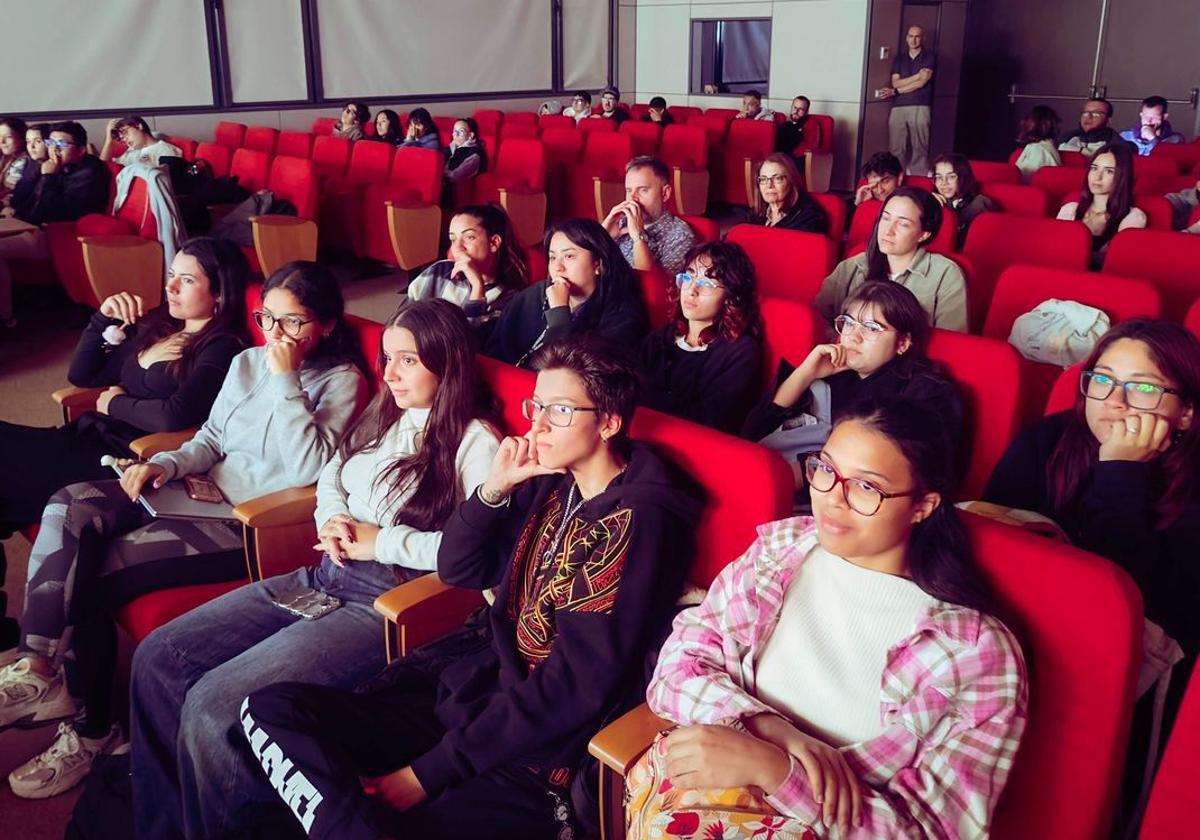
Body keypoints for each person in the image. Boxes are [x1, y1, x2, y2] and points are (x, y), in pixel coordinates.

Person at [240, 337, 702, 838]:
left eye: (561, 411)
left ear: (609, 423)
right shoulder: (553, 483)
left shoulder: (636, 522)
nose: (538, 424)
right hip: (471, 697)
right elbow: (460, 568)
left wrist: (425, 774)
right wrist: (493, 490)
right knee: (269, 710)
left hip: (535, 753)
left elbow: (572, 688)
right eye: (537, 405)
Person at [128, 299, 501, 838]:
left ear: (447, 363)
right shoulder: (386, 413)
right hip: (326, 572)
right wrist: (333, 518)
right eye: (387, 358)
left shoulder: (475, 442)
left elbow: (470, 555)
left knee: (215, 709)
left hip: (388, 600)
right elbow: (333, 473)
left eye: (408, 361)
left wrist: (383, 542)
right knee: (159, 656)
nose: (390, 373)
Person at [1, 261, 370, 800]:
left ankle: (94, 732)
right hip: (197, 490)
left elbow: (306, 467)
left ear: (327, 325)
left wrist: (287, 378)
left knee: (97, 569)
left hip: (244, 520)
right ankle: (40, 670)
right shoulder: (247, 361)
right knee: (69, 505)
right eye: (268, 318)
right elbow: (212, 439)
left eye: (293, 323)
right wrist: (166, 465)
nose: (276, 334)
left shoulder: (343, 381)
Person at [632, 396, 1026, 839]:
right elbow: (678, 666)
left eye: (866, 488)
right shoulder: (781, 551)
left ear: (923, 505)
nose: (832, 499)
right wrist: (769, 728)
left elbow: (934, 833)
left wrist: (778, 771)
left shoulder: (970, 652)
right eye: (825, 469)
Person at [0, 237, 250, 536]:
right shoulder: (163, 327)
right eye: (171, 275)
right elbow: (84, 375)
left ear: (219, 292)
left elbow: (174, 415)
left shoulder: (222, 347)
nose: (170, 287)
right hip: (86, 436)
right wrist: (101, 317)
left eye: (187, 280)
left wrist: (113, 404)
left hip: (124, 459)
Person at [984, 319, 1200, 653]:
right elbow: (993, 537)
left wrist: (1122, 469)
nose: (1114, 400)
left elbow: (1135, 605)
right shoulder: (1045, 439)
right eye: (1102, 379)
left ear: (1185, 412)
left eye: (1143, 388)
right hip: (1016, 626)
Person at [744, 281, 963, 491]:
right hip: (779, 480)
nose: (853, 336)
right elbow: (754, 433)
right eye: (848, 323)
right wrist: (805, 373)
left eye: (871, 328)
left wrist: (789, 476)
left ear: (903, 343)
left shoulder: (926, 392)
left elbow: (907, 473)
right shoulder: (833, 372)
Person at [637, 241, 763, 433]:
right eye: (688, 277)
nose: (692, 290)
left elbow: (710, 420)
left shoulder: (741, 352)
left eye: (707, 283)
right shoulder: (664, 336)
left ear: (731, 296)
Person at [486, 218, 649, 367]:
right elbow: (493, 354)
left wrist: (559, 315)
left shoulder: (622, 315)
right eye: (552, 257)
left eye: (569, 256)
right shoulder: (533, 296)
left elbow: (565, 374)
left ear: (597, 264)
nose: (558, 267)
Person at [0, 121, 109, 328]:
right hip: (40, 229)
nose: (54, 149)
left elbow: (51, 212)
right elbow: (27, 206)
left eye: (62, 144)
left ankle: (6, 318)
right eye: (51, 143)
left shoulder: (89, 171)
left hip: (60, 238)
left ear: (81, 150)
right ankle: (6, 314)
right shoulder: (59, 167)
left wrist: (48, 177)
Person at [817, 186, 967, 332]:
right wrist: (836, 342)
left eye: (903, 224)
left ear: (924, 234)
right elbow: (817, 317)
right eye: (886, 218)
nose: (888, 230)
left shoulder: (945, 274)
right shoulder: (853, 266)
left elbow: (949, 341)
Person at [406, 204, 528, 332]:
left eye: (469, 237)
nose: (457, 247)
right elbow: (402, 320)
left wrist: (477, 286)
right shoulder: (439, 271)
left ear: (494, 243)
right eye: (453, 239)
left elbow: (474, 343)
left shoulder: (510, 297)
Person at [601, 155, 696, 274]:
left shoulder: (680, 237)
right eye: (629, 190)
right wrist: (602, 236)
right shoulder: (620, 223)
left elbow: (648, 287)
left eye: (643, 190)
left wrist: (638, 237)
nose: (632, 198)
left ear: (665, 193)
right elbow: (588, 268)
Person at [1056, 140, 1146, 265]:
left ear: (1122, 176)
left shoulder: (1133, 217)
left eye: (1109, 171)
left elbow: (1115, 261)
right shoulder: (1070, 209)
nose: (1097, 177)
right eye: (1094, 168)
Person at [884, 25, 936, 175]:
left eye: (917, 36)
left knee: (920, 145)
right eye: (911, 36)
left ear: (923, 38)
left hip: (920, 104)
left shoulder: (929, 56)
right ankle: (896, 176)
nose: (914, 40)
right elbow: (895, 82)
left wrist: (897, 91)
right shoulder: (899, 59)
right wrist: (916, 77)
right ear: (906, 38)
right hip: (898, 106)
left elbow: (922, 82)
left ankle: (918, 177)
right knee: (896, 146)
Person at [751, 152, 828, 234]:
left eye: (777, 178)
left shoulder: (809, 219)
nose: (769, 185)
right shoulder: (756, 214)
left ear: (792, 181)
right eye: (763, 179)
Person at [931, 152, 996, 241]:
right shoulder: (934, 200)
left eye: (951, 176)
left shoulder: (980, 204)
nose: (944, 183)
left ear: (963, 177)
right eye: (939, 177)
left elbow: (965, 242)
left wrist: (945, 212)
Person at [100, 115, 181, 168]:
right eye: (121, 138)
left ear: (139, 126)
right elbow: (102, 167)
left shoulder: (165, 150)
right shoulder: (131, 151)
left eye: (125, 132)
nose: (124, 139)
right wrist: (108, 140)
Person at [1120, 95, 1185, 156]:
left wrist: (1153, 139)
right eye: (1146, 117)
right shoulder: (1126, 137)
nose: (1149, 121)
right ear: (1141, 115)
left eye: (1154, 117)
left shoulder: (1176, 140)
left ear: (1164, 117)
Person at [1014, 105, 1062, 183]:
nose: (1022, 122)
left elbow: (1025, 181)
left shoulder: (1038, 149)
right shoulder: (1044, 146)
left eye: (1027, 119)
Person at [444, 118, 488, 183]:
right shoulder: (451, 148)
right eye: (454, 131)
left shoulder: (475, 154)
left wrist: (440, 173)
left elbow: (455, 176)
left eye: (461, 131)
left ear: (471, 135)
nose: (455, 134)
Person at [0, 116, 29, 202]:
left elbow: (9, 190)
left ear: (22, 138)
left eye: (8, 137)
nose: (2, 141)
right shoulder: (4, 158)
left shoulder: (23, 161)